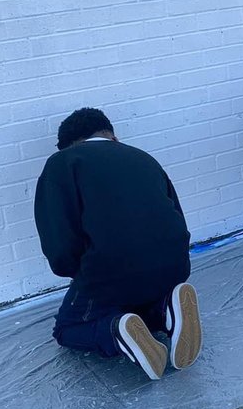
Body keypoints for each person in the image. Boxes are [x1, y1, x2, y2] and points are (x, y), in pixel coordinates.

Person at [34, 108, 202, 380]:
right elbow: (177, 216)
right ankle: (166, 310)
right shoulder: (144, 158)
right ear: (111, 135)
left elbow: (60, 240)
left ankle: (116, 332)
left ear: (69, 145)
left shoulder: (62, 163)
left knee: (68, 328)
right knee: (137, 301)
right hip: (174, 267)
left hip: (111, 270)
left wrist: (80, 273)